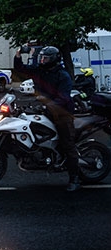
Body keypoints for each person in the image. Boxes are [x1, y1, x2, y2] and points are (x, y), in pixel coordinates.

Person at [14, 46, 80, 191]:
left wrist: (49, 104)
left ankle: (74, 178)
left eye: (45, 58)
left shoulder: (63, 75)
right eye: (41, 58)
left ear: (54, 60)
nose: (42, 60)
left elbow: (63, 97)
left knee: (67, 144)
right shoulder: (40, 70)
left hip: (62, 113)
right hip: (46, 109)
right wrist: (18, 54)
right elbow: (21, 69)